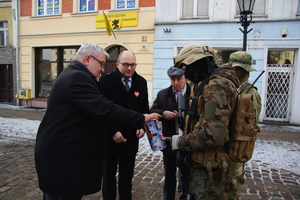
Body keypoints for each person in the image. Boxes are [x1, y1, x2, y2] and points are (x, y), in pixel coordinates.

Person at [34, 43, 160, 200]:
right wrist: (140, 118)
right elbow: (105, 109)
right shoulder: (78, 77)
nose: (102, 69)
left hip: (64, 157)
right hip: (62, 161)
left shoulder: (72, 74)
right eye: (101, 64)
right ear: (87, 59)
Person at [165, 43, 240, 199]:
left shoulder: (218, 86)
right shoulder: (208, 84)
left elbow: (210, 135)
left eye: (185, 69)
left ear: (197, 63)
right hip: (204, 165)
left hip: (209, 171)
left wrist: (178, 142)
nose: (185, 73)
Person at [99, 50, 150, 200]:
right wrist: (112, 131)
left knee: (126, 180)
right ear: (117, 64)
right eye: (126, 64)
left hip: (130, 140)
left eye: (132, 65)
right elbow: (100, 111)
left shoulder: (141, 82)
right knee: (108, 180)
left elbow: (144, 110)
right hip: (110, 140)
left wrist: (141, 127)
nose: (129, 68)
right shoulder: (105, 82)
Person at [220, 51, 262, 200]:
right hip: (229, 145)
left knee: (231, 188)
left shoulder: (250, 93)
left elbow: (250, 125)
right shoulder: (237, 89)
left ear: (237, 70)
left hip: (238, 147)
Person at [150, 66, 191, 200]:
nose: (176, 83)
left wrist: (188, 115)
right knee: (169, 176)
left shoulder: (194, 94)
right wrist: (163, 114)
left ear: (184, 78)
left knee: (187, 175)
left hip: (188, 142)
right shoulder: (163, 94)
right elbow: (152, 110)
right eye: (173, 79)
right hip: (168, 142)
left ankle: (186, 196)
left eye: (179, 79)